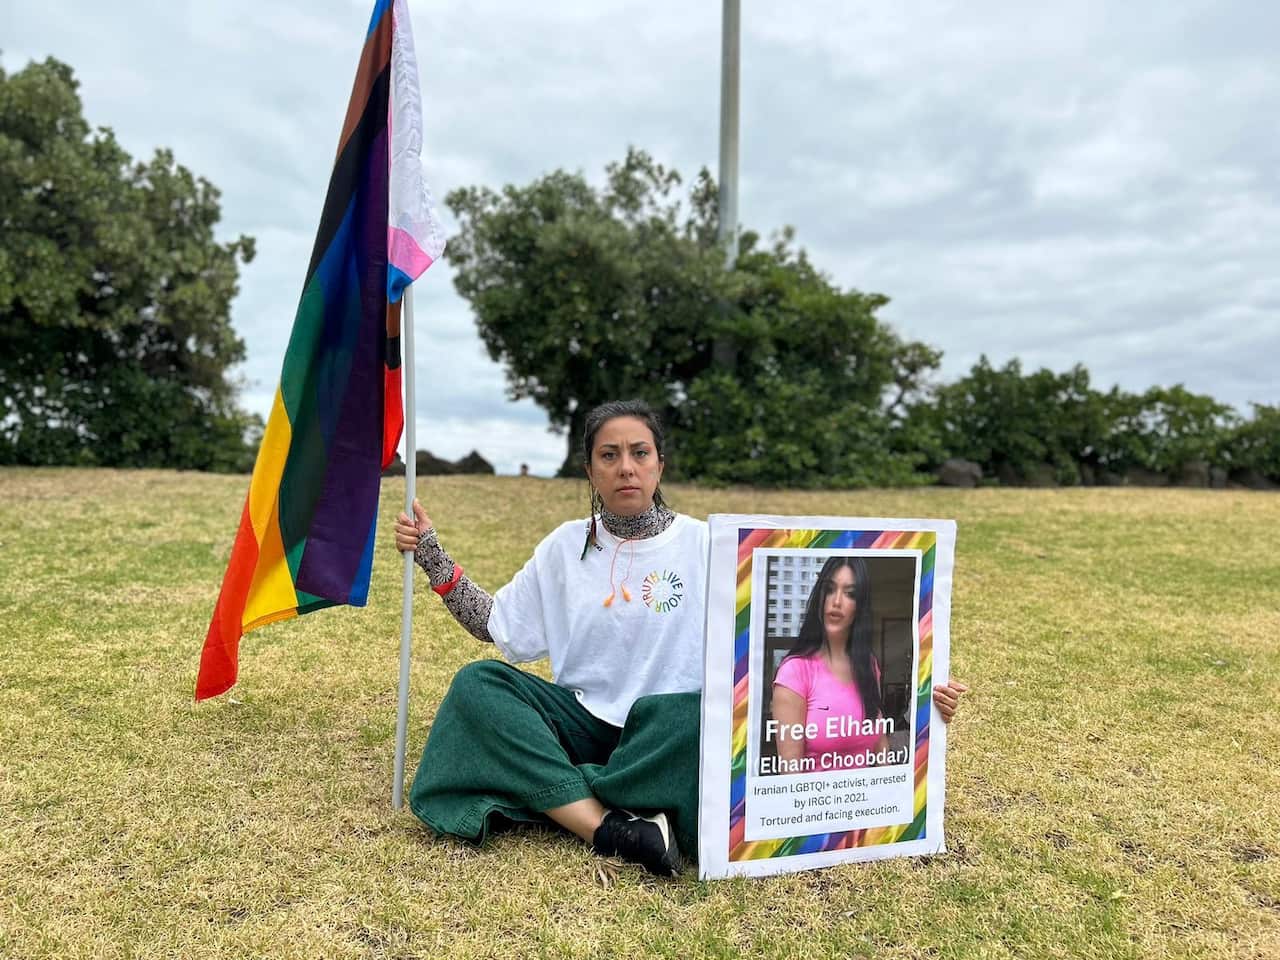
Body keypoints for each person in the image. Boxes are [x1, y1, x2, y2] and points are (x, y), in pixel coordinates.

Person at [395, 400, 706, 876]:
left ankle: (562, 791)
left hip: (664, 732)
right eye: (609, 455)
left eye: (640, 453)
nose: (626, 467)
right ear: (589, 471)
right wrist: (433, 557)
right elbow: (494, 624)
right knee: (479, 686)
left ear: (660, 465)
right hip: (581, 725)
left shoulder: (707, 544)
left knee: (701, 715)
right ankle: (608, 827)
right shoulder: (565, 545)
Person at [772, 556, 967, 772]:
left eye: (850, 593)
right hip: (818, 804)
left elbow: (878, 740)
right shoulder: (795, 671)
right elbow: (789, 775)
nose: (836, 601)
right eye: (829, 589)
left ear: (860, 606)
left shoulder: (868, 664)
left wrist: (934, 699)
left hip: (868, 803)